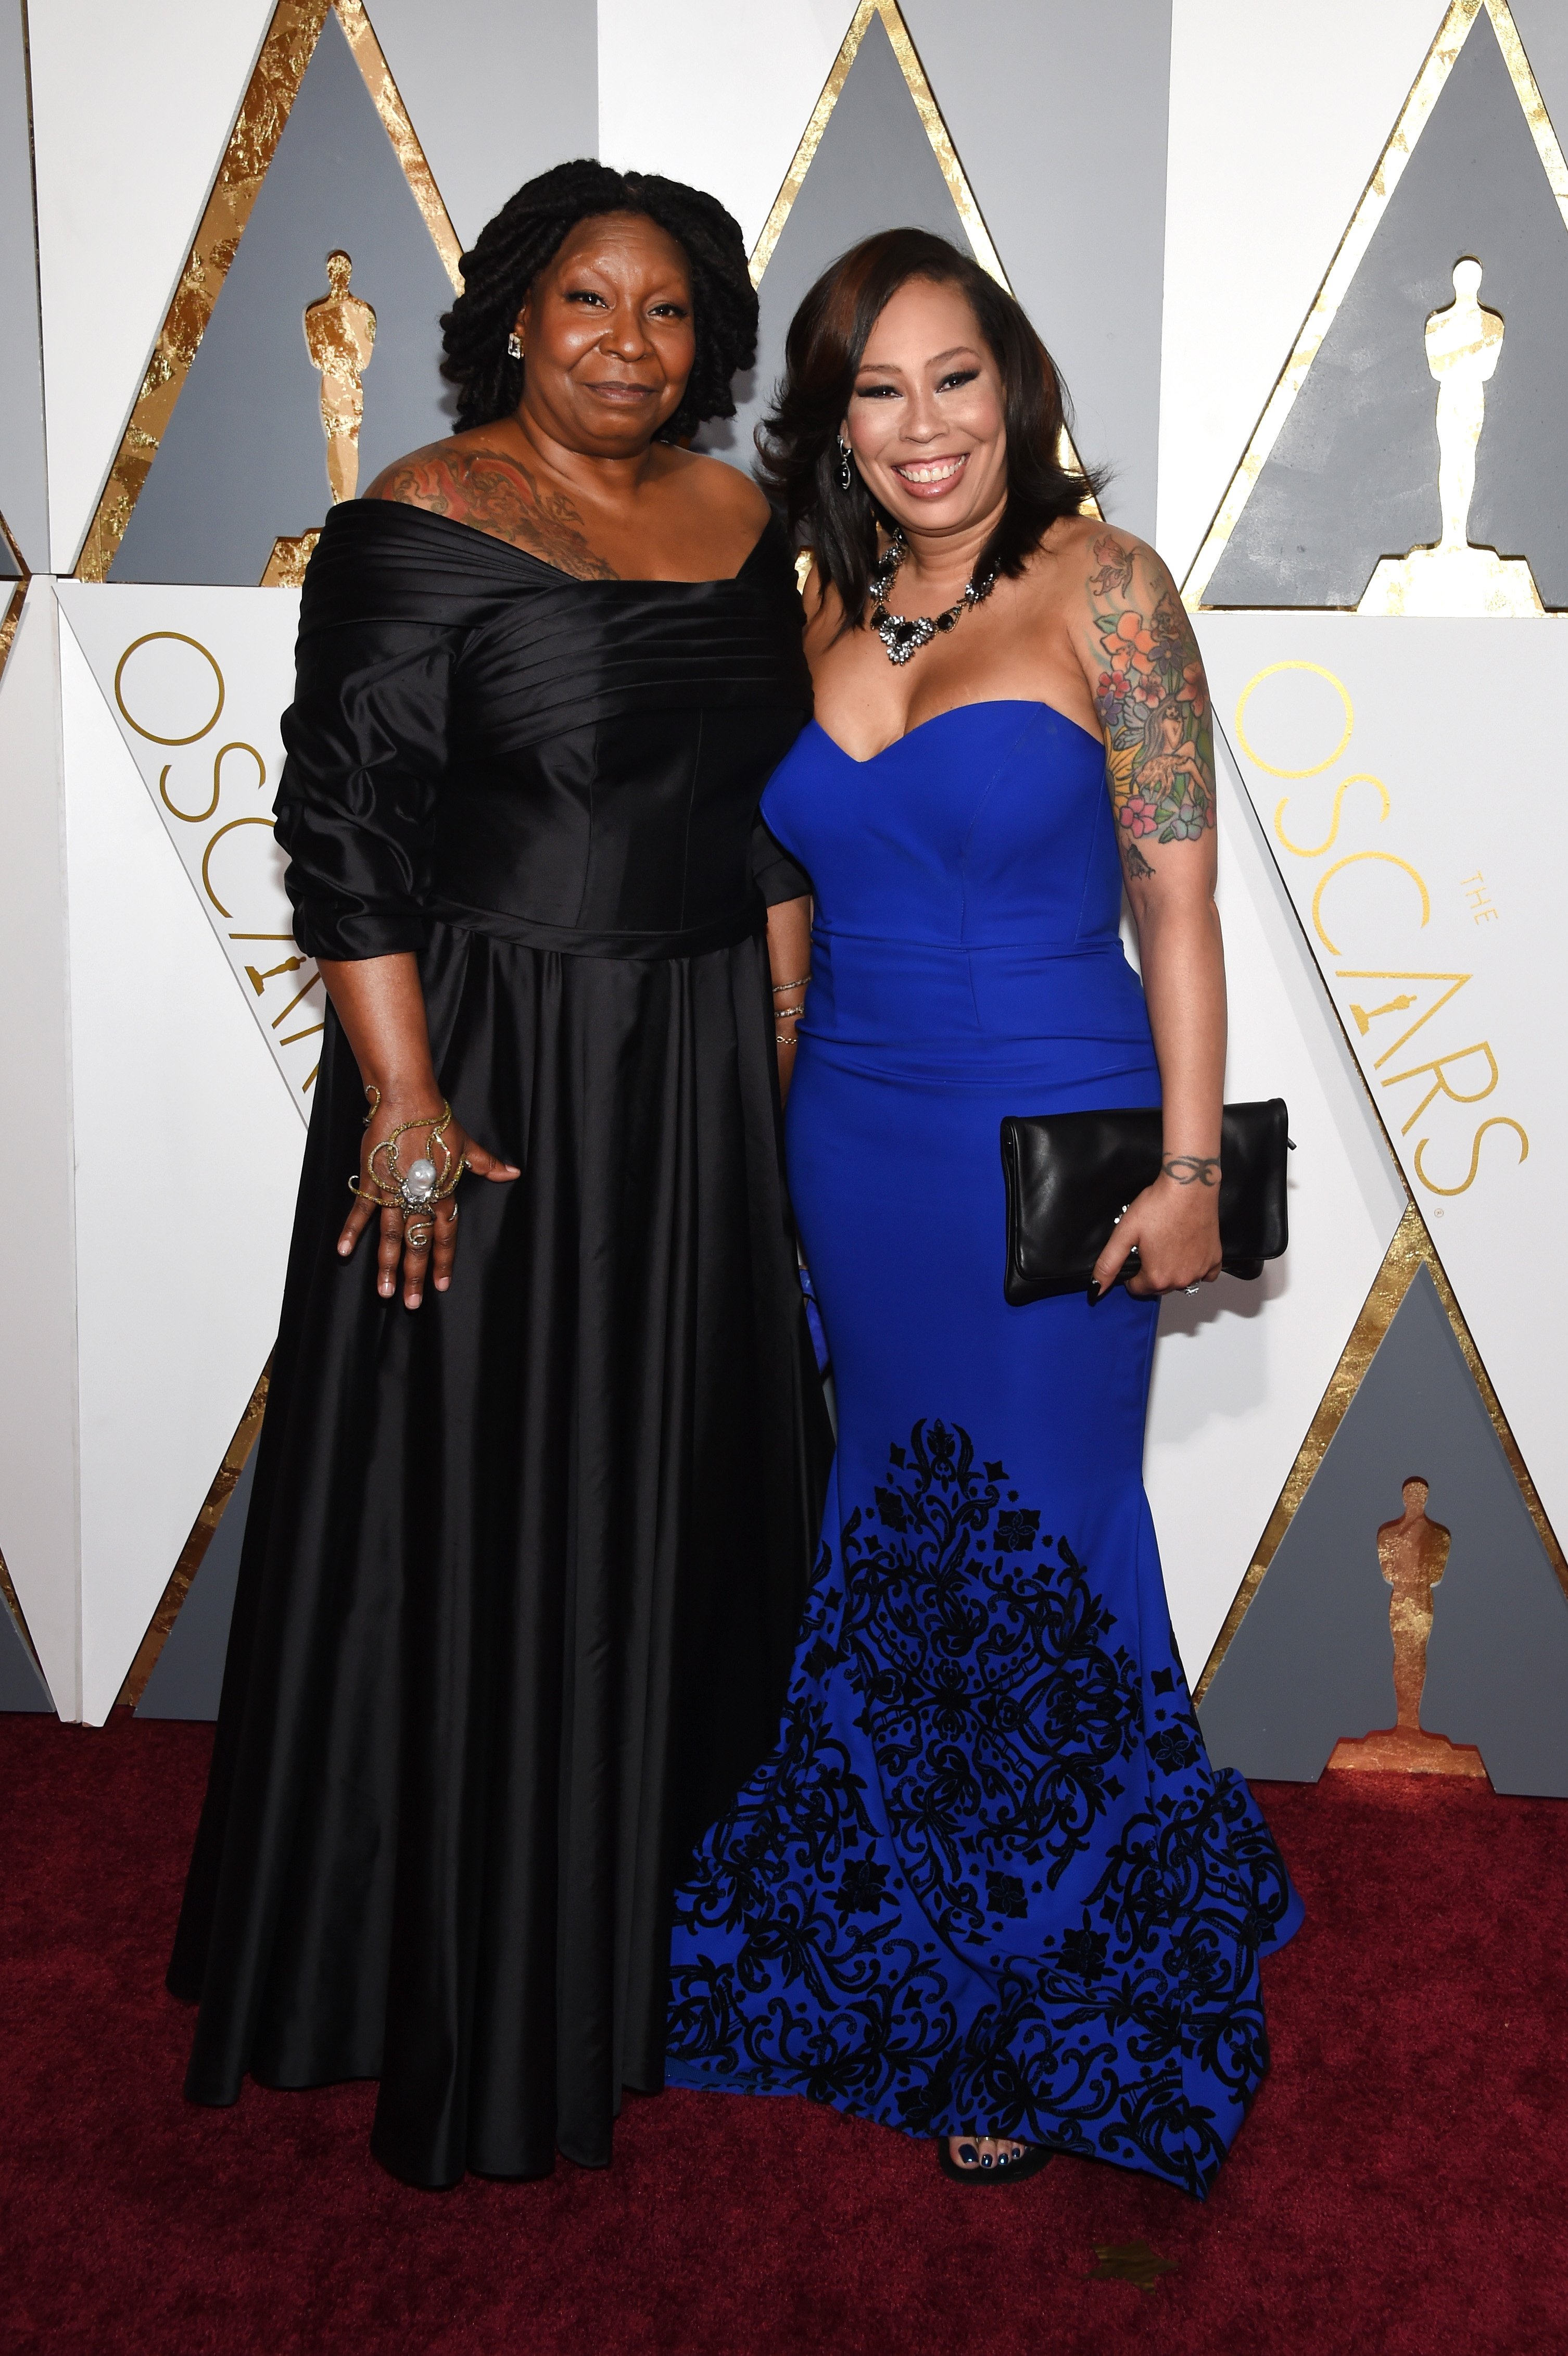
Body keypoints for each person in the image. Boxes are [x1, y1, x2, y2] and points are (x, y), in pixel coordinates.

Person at [168, 161, 831, 2189]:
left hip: (707, 1064)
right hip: (490, 1075)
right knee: (472, 1512)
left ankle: (648, 1950)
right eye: (585, 304)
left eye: (666, 312)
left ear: (707, 339)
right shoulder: (419, 523)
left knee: (689, 1509)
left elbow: (773, 818)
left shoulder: (753, 531)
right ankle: (441, 1977)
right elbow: (345, 835)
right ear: (516, 321)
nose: (626, 344)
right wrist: (404, 1107)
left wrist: (778, 1060)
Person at [665, 228, 1303, 2196]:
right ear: (831, 424)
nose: (921, 427)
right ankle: (903, 1922)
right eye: (876, 390)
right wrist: (756, 1156)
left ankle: (1040, 1989)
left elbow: (1177, 905)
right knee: (895, 1526)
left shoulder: (1108, 595)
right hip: (850, 1147)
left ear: (1010, 388)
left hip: (1059, 1143)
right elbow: (778, 922)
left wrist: (1192, 1172)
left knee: (1042, 1539)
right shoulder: (804, 614)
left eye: (954, 379)